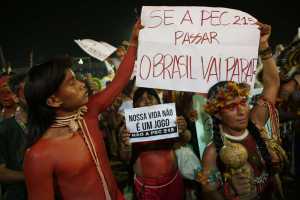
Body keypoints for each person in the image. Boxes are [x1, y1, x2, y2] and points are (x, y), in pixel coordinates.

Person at [23, 20, 141, 200]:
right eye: (72, 83)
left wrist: (133, 42)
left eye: (77, 78)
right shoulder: (39, 156)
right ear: (54, 100)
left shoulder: (90, 113)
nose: (81, 84)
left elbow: (120, 80)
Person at [197, 22, 286, 200]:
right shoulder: (213, 152)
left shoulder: (256, 121)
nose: (241, 111)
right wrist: (229, 192)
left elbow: (272, 84)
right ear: (217, 113)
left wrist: (263, 45)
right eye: (231, 107)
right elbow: (209, 194)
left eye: (243, 102)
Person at [119, 87, 191, 200]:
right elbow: (125, 158)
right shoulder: (128, 128)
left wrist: (183, 129)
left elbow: (185, 140)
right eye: (141, 99)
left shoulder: (171, 119)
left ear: (158, 101)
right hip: (147, 187)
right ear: (135, 105)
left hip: (173, 181)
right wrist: (126, 145)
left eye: (150, 97)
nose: (147, 101)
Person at [0, 72, 27, 200]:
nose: (5, 96)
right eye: (1, 93)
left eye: (8, 92)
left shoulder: (43, 121)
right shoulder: (3, 127)